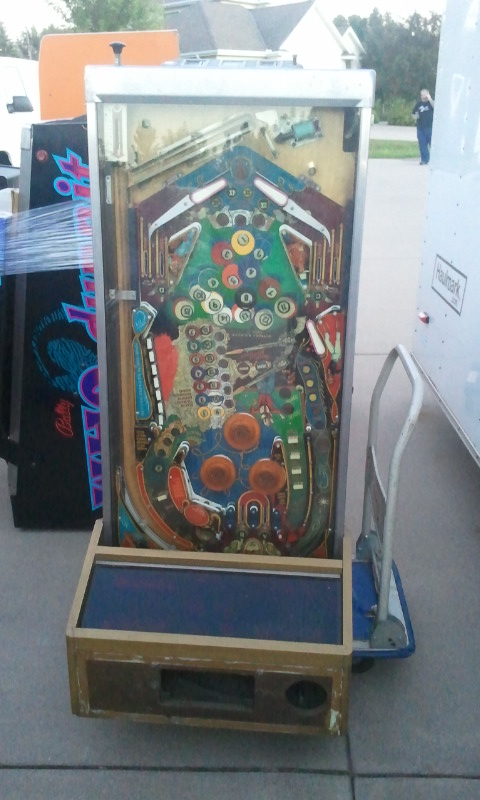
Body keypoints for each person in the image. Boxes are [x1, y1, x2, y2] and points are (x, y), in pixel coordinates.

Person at [412, 89, 434, 165]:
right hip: (420, 127)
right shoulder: (418, 104)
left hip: (430, 127)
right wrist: (415, 116)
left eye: (424, 94)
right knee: (422, 144)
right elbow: (413, 114)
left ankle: (434, 159)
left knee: (432, 144)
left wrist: (430, 98)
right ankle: (424, 159)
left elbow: (436, 107)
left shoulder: (430, 104)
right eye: (421, 95)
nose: (423, 96)